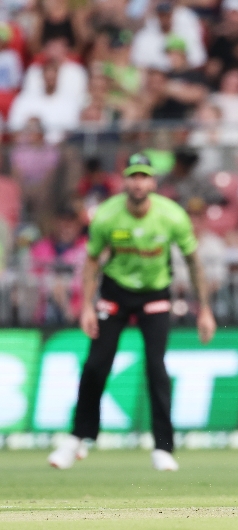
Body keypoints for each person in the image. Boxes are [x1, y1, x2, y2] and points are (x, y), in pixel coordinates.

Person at [47, 153, 217, 472]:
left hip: (155, 293)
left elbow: (193, 261)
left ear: (153, 182)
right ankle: (77, 438)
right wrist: (86, 307)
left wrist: (204, 310)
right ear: (124, 181)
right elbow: (92, 261)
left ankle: (163, 447)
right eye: (133, 176)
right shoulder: (106, 215)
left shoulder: (172, 215)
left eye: (144, 177)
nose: (138, 183)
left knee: (156, 367)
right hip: (116, 292)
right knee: (96, 364)